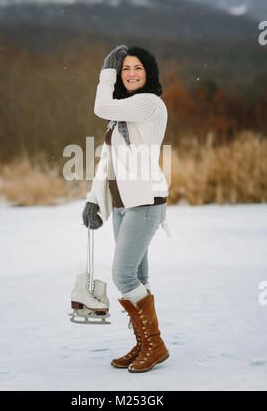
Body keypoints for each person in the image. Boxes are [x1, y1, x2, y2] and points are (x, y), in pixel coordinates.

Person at [82, 45, 170, 373]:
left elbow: (100, 104)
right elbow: (109, 161)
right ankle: (146, 343)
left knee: (122, 275)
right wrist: (94, 200)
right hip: (122, 205)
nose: (131, 74)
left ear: (148, 74)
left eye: (137, 68)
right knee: (138, 276)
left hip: (145, 203)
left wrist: (106, 70)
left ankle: (156, 344)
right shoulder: (124, 111)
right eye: (125, 69)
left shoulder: (149, 103)